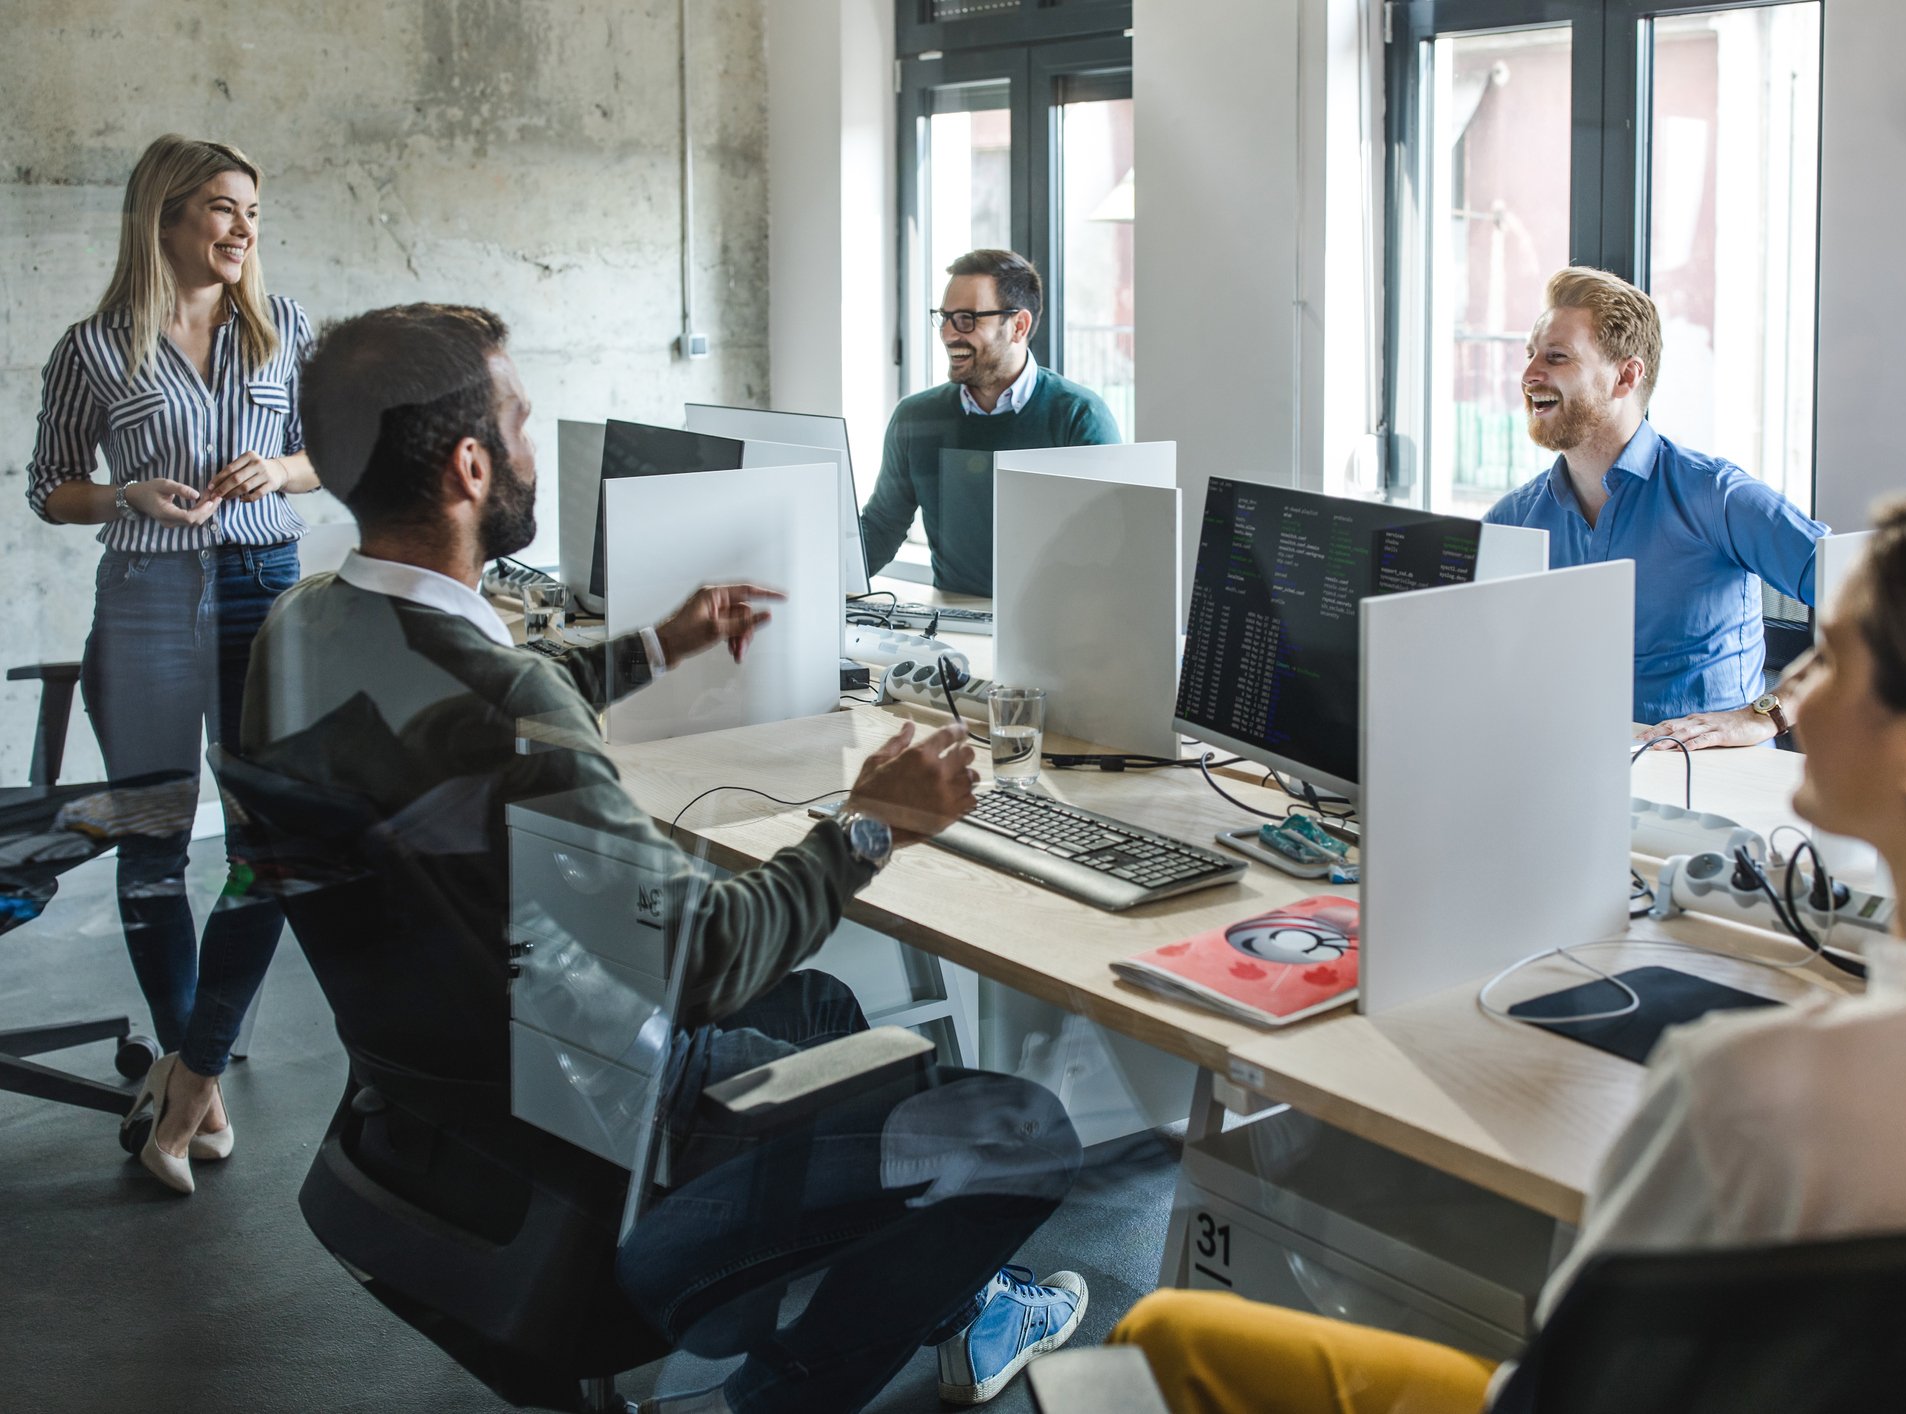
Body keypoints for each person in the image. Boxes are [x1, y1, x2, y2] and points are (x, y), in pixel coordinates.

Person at [243, 302, 1088, 1410]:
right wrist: (871, 822)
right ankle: (782, 1389)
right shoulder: (506, 701)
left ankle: (939, 1298)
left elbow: (458, 718)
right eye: (520, 421)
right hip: (619, 1129)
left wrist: (658, 645)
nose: (532, 448)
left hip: (448, 1105)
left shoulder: (300, 629)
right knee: (1025, 1131)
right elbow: (706, 956)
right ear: (467, 465)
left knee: (824, 1008)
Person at [1109, 489, 1906, 1411]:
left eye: (1833, 656)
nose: (1793, 685)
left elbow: (1555, 1381)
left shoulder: (1754, 1089)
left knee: (1158, 1334)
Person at [23, 133, 322, 1192]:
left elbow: (335, 452)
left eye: (253, 210)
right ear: (165, 217)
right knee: (152, 848)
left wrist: (280, 466)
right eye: (222, 209)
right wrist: (125, 495)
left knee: (271, 847)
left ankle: (187, 1077)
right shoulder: (94, 348)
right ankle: (203, 1083)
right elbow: (50, 484)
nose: (244, 230)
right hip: (146, 599)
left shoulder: (283, 328)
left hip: (260, 594)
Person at [1483, 267, 1826, 749]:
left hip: (1712, 785)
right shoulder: (1512, 520)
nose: (1528, 375)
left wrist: (1768, 713)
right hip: (1570, 772)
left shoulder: (1715, 496)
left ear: (1625, 375)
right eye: (1530, 355)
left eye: (1556, 357)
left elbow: (1874, 599)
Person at [858, 249, 1122, 596]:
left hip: (1051, 631)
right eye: (945, 317)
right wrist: (800, 584)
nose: (949, 334)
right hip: (953, 626)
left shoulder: (1078, 418)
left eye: (967, 319)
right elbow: (880, 528)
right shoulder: (915, 418)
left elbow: (1113, 551)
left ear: (1018, 326)